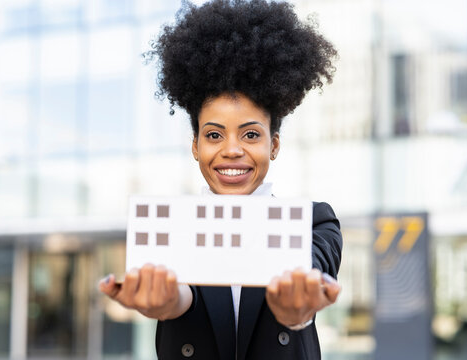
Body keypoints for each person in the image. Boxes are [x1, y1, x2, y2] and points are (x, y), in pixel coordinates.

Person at [99, 0, 342, 359]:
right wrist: (169, 303)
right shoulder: (172, 225)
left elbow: (307, 266)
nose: (231, 150)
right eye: (214, 135)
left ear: (273, 145)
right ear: (195, 146)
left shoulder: (314, 221)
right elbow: (183, 293)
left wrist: (295, 310)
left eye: (250, 135)